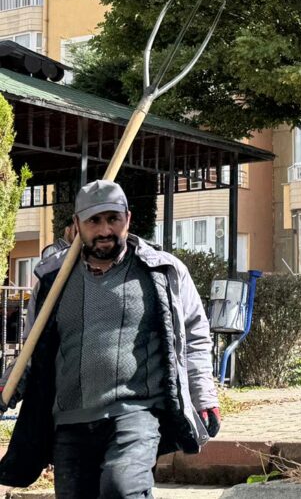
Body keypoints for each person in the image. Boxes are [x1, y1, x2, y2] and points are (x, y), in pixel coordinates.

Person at [0, 180, 221, 497]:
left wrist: (204, 397)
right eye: (94, 221)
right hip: (70, 420)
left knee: (121, 488)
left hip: (135, 413)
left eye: (112, 219)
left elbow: (195, 336)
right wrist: (8, 387)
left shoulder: (161, 271)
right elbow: (33, 349)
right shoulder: (53, 281)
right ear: (77, 225)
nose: (105, 229)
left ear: (127, 219)